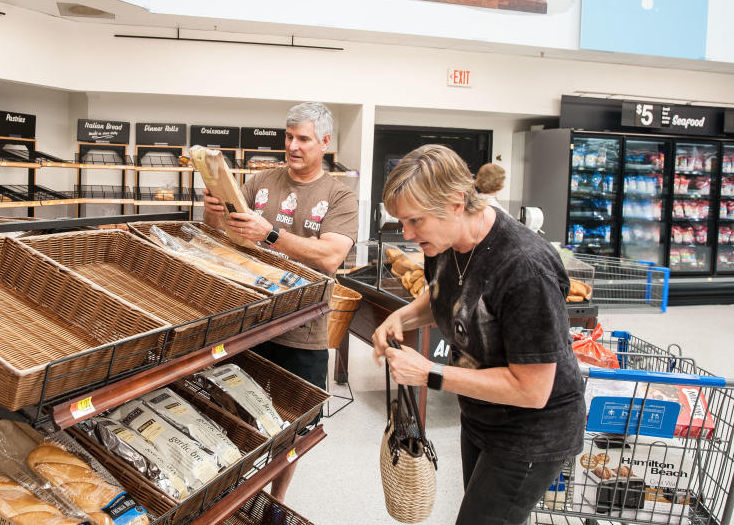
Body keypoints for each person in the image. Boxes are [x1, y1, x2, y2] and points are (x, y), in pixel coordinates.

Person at [371, 145, 584, 525]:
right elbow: (446, 294)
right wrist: (401, 318)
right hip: (480, 414)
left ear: (455, 203)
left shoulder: (525, 268)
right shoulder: (444, 241)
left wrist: (430, 374)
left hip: (532, 431)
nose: (406, 233)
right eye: (401, 222)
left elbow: (533, 390)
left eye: (414, 221)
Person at [203, 101, 358, 501]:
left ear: (325, 142)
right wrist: (213, 215)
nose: (293, 146)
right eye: (288, 137)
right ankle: (230, 494)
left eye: (303, 139)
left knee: (292, 429)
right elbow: (226, 240)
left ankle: (275, 500)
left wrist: (269, 234)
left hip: (302, 334)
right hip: (248, 324)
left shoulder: (340, 196)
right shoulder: (258, 183)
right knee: (231, 411)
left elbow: (330, 256)